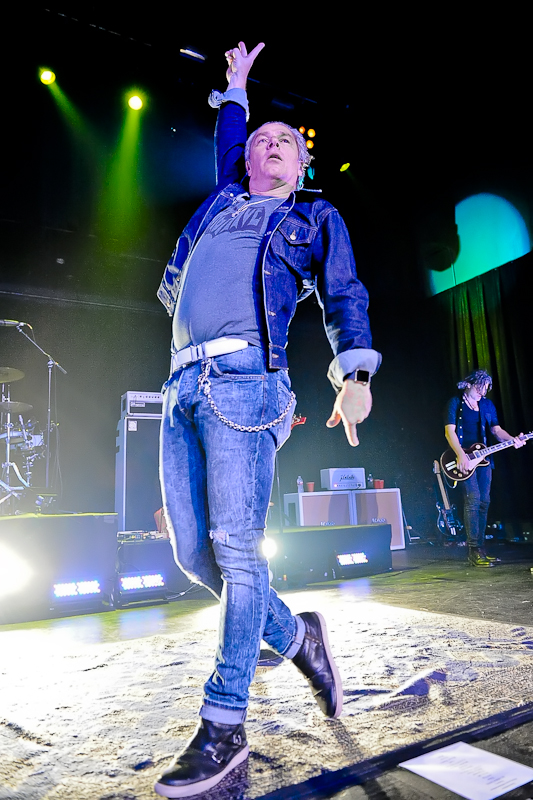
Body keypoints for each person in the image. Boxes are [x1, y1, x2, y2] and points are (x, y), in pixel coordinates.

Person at [155, 41, 381, 798]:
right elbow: (229, 136)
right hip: (182, 382)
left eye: (285, 141)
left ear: (300, 163)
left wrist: (353, 372)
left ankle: (223, 725)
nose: (269, 145)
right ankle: (298, 638)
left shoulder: (313, 216)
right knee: (195, 557)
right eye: (259, 140)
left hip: (248, 382)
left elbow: (345, 295)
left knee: (238, 551)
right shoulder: (222, 202)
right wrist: (236, 93)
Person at [444, 369, 525, 567]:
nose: (483, 392)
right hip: (463, 458)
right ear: (470, 384)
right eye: (481, 387)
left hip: (484, 460)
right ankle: (473, 550)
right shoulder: (455, 403)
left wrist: (513, 439)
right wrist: (461, 455)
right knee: (473, 500)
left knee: (484, 501)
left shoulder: (487, 405)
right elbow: (449, 432)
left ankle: (481, 548)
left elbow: (496, 431)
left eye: (486, 389)